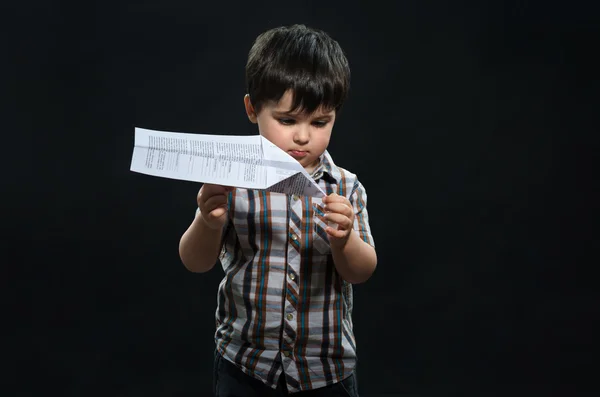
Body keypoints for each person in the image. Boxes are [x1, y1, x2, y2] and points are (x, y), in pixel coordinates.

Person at [179, 24, 377, 396]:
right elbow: (195, 261)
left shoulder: (347, 187)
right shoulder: (230, 180)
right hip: (245, 366)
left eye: (320, 122)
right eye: (287, 120)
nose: (303, 136)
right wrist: (207, 221)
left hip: (324, 370)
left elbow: (361, 271)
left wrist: (345, 238)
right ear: (253, 109)